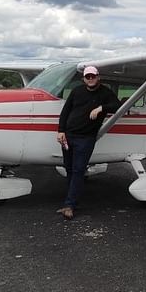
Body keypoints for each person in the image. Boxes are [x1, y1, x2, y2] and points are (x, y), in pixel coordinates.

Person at [55, 66, 120, 220]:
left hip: (85, 139)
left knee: (78, 170)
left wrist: (101, 108)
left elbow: (117, 105)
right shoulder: (77, 91)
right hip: (69, 136)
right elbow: (65, 112)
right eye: (87, 77)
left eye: (93, 76)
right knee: (69, 169)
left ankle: (69, 205)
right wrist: (61, 131)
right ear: (84, 79)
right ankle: (71, 202)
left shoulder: (105, 93)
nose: (90, 79)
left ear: (98, 77)